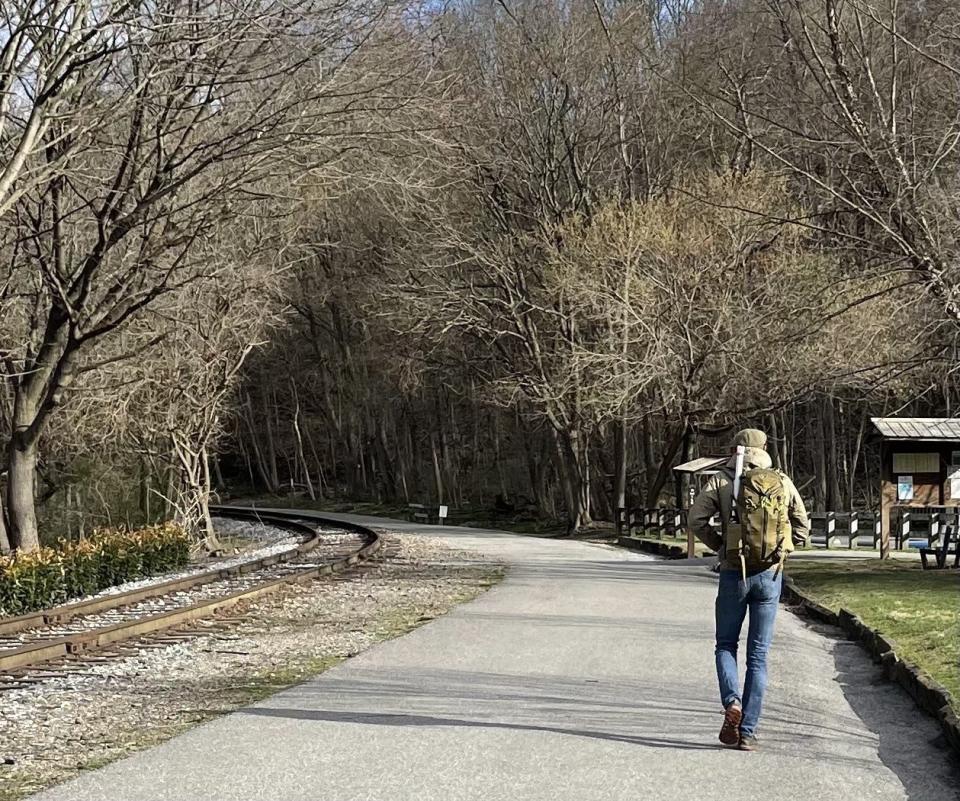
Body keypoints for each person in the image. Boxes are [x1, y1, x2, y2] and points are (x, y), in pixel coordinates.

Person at [687, 428, 809, 751]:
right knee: (759, 656)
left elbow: (696, 519)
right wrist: (782, 549)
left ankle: (732, 702)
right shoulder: (781, 481)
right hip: (770, 576)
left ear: (736, 449)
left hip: (732, 574)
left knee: (725, 644)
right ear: (765, 448)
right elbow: (803, 525)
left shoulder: (722, 480)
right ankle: (749, 732)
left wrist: (722, 546)